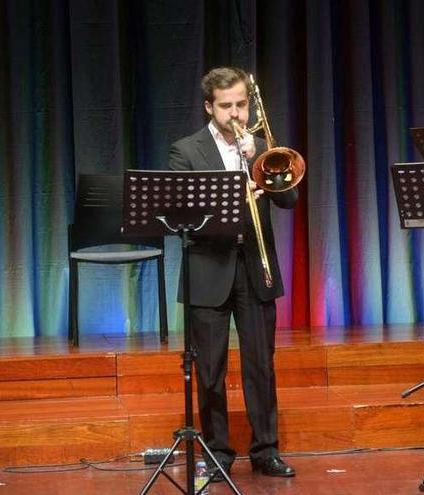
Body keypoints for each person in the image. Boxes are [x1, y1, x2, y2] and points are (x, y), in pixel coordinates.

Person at [168, 66, 298, 477]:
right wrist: (236, 201)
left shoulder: (261, 146)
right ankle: (218, 452)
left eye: (242, 104)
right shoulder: (185, 151)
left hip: (255, 267)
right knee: (210, 370)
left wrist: (259, 161)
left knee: (262, 364)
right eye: (226, 106)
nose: (236, 114)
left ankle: (266, 450)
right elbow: (180, 215)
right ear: (210, 107)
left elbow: (289, 199)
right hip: (209, 269)